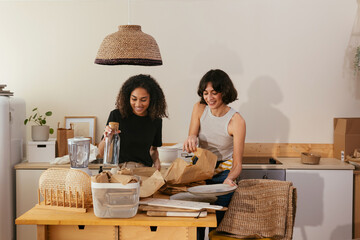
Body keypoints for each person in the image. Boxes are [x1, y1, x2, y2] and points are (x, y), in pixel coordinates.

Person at [183, 69, 246, 239]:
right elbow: (192, 136)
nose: (209, 98)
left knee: (216, 229)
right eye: (205, 93)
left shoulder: (236, 121)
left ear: (224, 92)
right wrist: (191, 137)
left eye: (214, 93)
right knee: (195, 224)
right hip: (200, 172)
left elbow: (238, 164)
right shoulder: (199, 109)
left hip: (222, 175)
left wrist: (229, 180)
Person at [98, 74, 168, 171]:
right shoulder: (117, 115)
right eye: (134, 99)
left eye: (143, 100)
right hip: (118, 169)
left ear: (151, 99)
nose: (138, 104)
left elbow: (153, 150)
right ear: (128, 97)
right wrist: (107, 138)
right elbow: (101, 153)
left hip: (142, 170)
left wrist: (156, 162)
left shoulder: (156, 121)